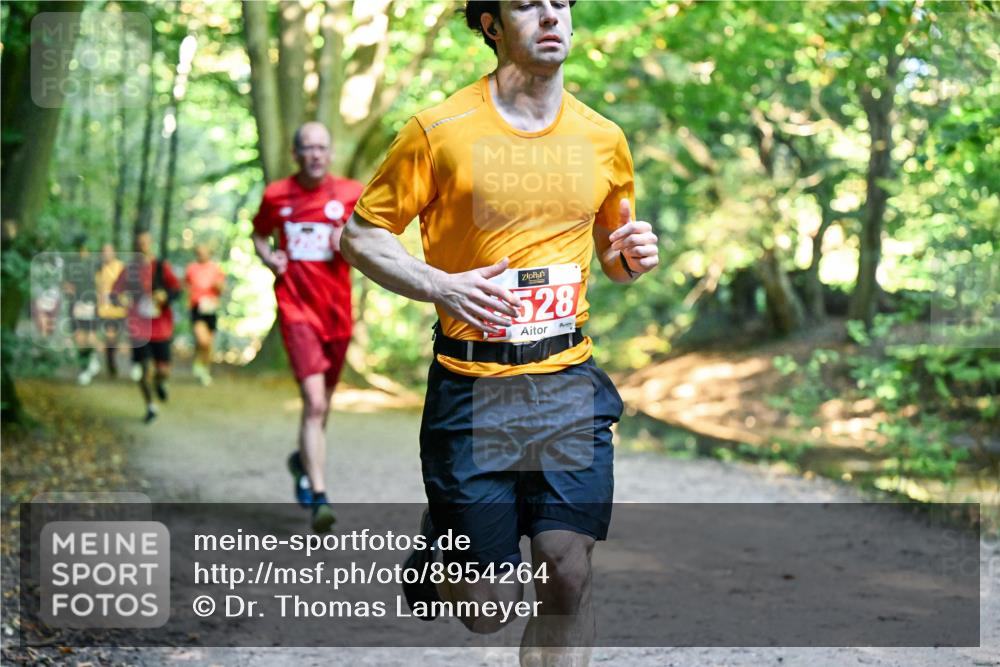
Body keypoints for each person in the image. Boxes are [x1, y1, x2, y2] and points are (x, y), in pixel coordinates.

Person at [341, 1, 659, 663]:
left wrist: (629, 256)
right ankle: (446, 540)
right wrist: (442, 284)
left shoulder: (604, 138)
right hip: (471, 384)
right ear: (491, 24)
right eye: (527, 4)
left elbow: (613, 252)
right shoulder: (440, 130)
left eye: (561, 4)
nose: (551, 16)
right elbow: (361, 235)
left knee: (565, 572)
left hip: (565, 380)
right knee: (487, 611)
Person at [251, 121, 363, 533]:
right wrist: (269, 258)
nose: (315, 154)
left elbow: (372, 243)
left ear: (330, 153)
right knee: (314, 403)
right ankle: (319, 495)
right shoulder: (276, 195)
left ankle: (302, 459)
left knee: (325, 404)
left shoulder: (350, 194)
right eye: (307, 148)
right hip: (296, 308)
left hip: (337, 312)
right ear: (296, 154)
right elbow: (259, 234)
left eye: (322, 147)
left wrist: (347, 244)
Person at [113, 231, 180, 423]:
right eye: (139, 243)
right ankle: (151, 406)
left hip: (161, 327)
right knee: (145, 369)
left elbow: (176, 289)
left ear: (151, 244)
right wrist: (121, 298)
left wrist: (165, 296)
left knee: (162, 371)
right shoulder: (129, 270)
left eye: (145, 243)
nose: (142, 246)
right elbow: (116, 292)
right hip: (138, 327)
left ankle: (160, 384)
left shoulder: (161, 267)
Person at [185, 243, 226, 386]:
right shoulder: (191, 268)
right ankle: (198, 362)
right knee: (202, 340)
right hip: (197, 308)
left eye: (204, 252)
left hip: (211, 308)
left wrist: (217, 286)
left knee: (209, 344)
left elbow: (221, 289)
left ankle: (204, 369)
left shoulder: (216, 269)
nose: (201, 254)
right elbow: (187, 286)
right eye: (199, 252)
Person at [64, 238, 101, 385]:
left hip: (91, 304)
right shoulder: (71, 264)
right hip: (77, 304)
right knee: (79, 338)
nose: (82, 250)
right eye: (80, 247)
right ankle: (85, 365)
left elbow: (100, 283)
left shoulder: (95, 263)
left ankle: (88, 364)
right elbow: (67, 285)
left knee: (90, 337)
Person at [95, 243, 127, 378]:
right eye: (104, 251)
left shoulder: (121, 267)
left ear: (114, 252)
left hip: (119, 309)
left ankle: (112, 360)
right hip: (105, 310)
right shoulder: (99, 269)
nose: (106, 254)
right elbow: (97, 288)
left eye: (109, 251)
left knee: (115, 338)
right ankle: (111, 364)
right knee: (110, 336)